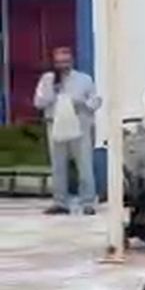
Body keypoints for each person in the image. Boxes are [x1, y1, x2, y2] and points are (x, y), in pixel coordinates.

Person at [33, 46, 100, 215]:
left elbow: (96, 100)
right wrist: (52, 91)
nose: (63, 65)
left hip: (79, 125)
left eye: (66, 61)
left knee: (84, 164)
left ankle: (87, 202)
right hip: (55, 125)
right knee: (58, 165)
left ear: (72, 61)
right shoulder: (47, 79)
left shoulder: (84, 79)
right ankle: (60, 201)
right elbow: (39, 102)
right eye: (59, 62)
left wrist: (82, 104)